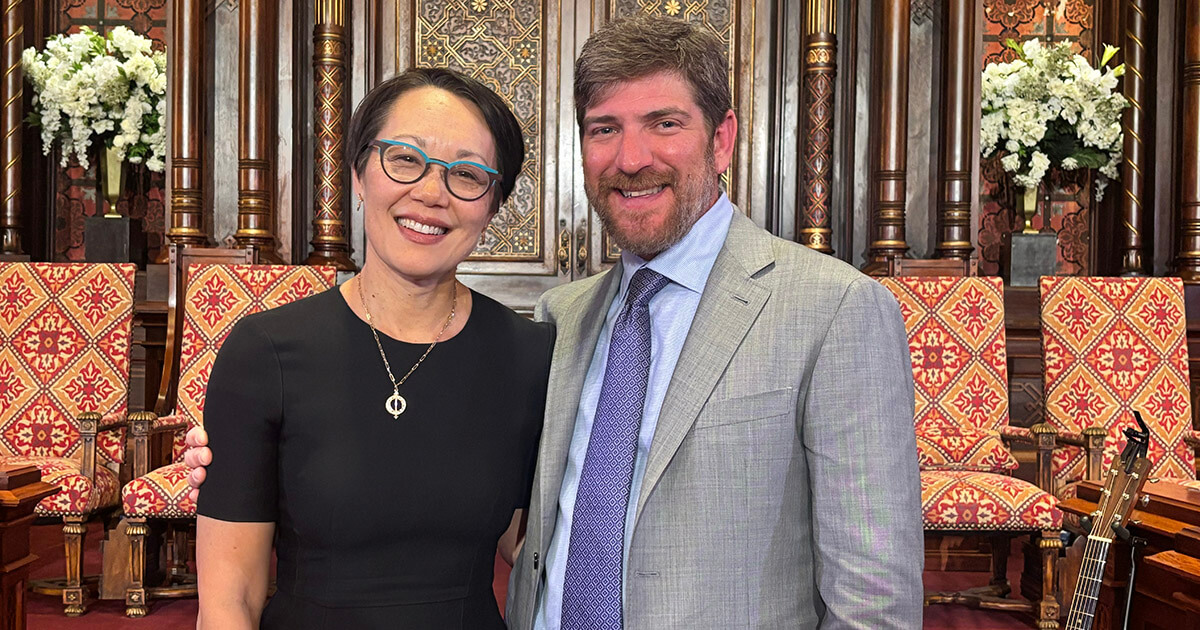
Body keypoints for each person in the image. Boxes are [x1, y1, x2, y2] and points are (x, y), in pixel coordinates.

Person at [189, 16, 924, 629]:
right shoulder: (562, 321)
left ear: (723, 138)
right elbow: (545, 521)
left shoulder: (833, 309)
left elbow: (875, 599)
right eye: (604, 129)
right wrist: (247, 456)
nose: (631, 158)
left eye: (664, 124)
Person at [193, 67, 554, 630]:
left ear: (492, 206)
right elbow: (228, 601)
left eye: (467, 174)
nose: (432, 194)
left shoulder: (532, 356)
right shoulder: (266, 353)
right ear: (359, 176)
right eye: (405, 159)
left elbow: (526, 541)